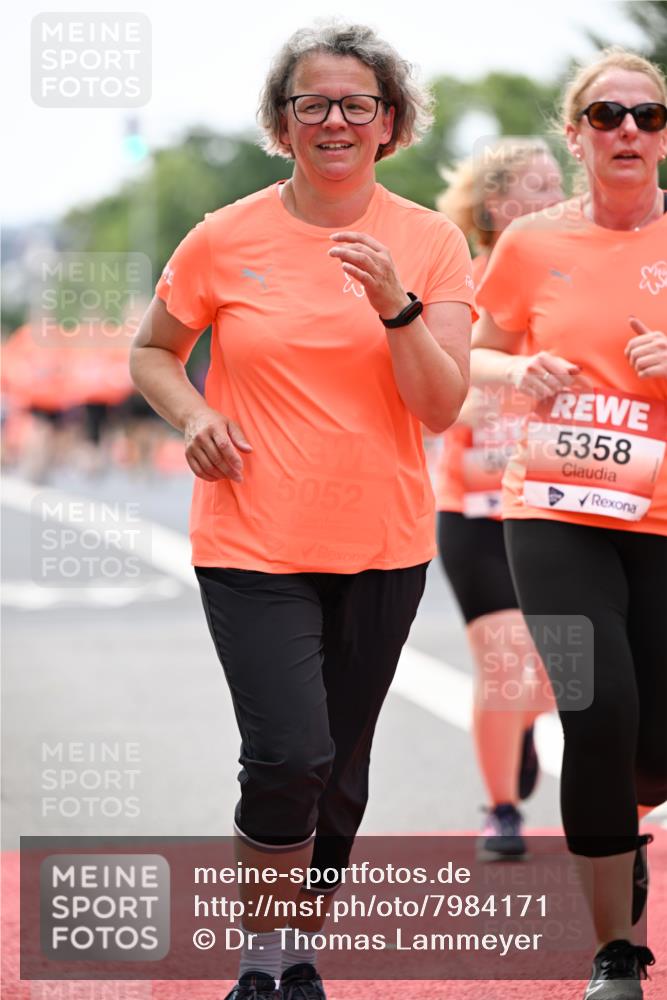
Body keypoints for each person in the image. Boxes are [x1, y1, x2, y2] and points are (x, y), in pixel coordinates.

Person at [130, 21, 473, 1000]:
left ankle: (296, 947)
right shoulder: (224, 236)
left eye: (355, 103)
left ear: (388, 122)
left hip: (382, 542)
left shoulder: (430, 241)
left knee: (340, 776)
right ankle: (262, 958)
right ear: (282, 125)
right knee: (288, 751)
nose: (333, 119)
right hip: (251, 536)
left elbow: (440, 404)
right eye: (310, 103)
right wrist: (193, 412)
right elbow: (152, 351)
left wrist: (396, 306)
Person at [471, 47, 666, 999]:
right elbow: (473, 352)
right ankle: (613, 955)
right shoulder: (531, 244)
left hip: (662, 515)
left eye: (647, 114)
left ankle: (625, 808)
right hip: (550, 507)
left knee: (651, 751)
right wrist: (518, 373)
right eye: (605, 115)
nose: (628, 129)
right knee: (597, 710)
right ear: (575, 133)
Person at [435, 139, 562, 859]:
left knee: (550, 670)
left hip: (553, 504)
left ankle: (517, 729)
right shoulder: (458, 281)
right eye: (535, 187)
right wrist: (459, 408)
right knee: (506, 656)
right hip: (475, 509)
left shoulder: (574, 276)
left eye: (556, 184)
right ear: (496, 204)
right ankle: (501, 810)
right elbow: (421, 388)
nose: (552, 197)